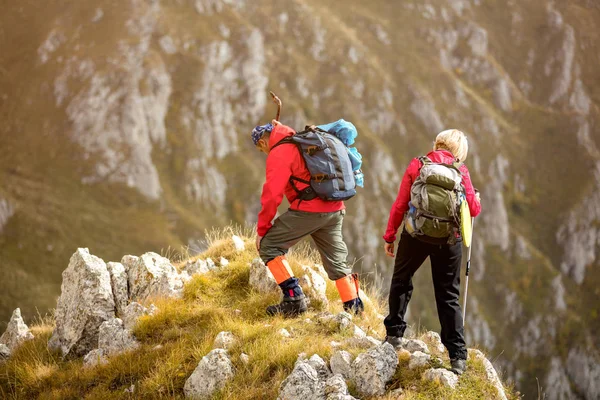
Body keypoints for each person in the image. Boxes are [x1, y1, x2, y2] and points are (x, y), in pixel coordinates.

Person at [382, 129, 481, 375]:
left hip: (415, 234)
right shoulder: (462, 171)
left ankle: (394, 335)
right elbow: (474, 210)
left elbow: (401, 203)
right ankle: (457, 357)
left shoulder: (418, 164)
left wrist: (390, 235)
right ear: (458, 151)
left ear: (437, 143)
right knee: (448, 295)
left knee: (402, 280)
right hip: (449, 240)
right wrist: (476, 198)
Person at [252, 120, 364, 317]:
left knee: (269, 246)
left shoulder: (280, 152)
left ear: (262, 142)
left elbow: (272, 195)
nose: (264, 153)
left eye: (261, 150)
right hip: (335, 208)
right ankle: (354, 309)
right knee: (337, 262)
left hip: (310, 210)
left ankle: (293, 300)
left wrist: (262, 230)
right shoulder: (301, 142)